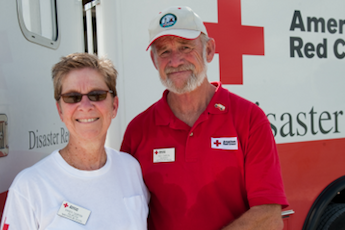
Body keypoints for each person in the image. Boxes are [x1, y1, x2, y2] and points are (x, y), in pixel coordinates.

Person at [120, 6, 289, 230]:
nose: (175, 61)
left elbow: (269, 216)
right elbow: (124, 210)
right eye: (164, 52)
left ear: (208, 50)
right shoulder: (138, 130)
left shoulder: (249, 119)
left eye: (185, 47)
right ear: (154, 62)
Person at [0, 53, 149, 230]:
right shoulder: (30, 186)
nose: (85, 106)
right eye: (72, 97)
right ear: (60, 111)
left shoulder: (131, 169)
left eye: (97, 95)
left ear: (114, 106)